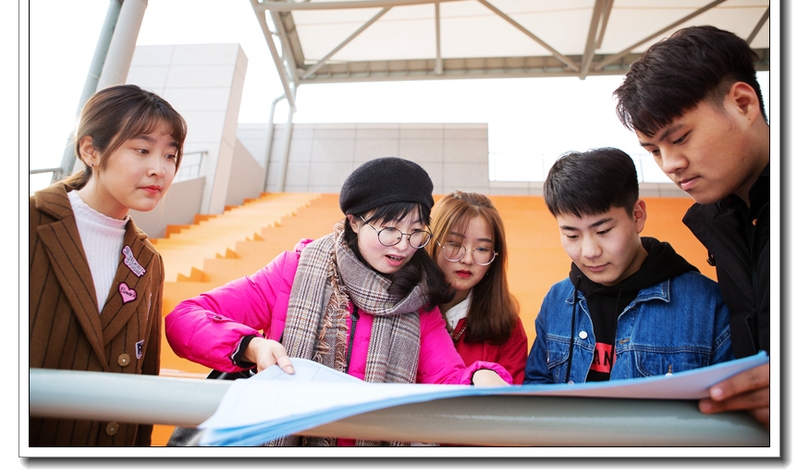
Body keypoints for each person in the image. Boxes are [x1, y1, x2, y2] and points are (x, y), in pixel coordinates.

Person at [165, 157, 512, 446]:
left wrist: (480, 376)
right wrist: (249, 346)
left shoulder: (418, 301)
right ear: (355, 221)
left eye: (416, 231)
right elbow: (184, 318)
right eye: (390, 229)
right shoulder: (294, 270)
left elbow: (446, 377)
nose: (404, 245)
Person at [614, 25, 770, 429]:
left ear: (743, 103)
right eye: (653, 150)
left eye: (680, 138)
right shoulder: (724, 220)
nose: (670, 164)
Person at [30, 84, 188, 446]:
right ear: (90, 150)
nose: (159, 169)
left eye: (169, 155)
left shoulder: (148, 260)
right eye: (142, 150)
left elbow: (144, 376)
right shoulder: (29, 222)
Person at [524, 147, 733, 385]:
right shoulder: (556, 301)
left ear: (637, 215)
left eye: (603, 231)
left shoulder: (706, 304)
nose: (590, 252)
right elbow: (537, 385)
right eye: (572, 236)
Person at [427, 191, 528, 384]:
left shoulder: (507, 327)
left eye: (482, 249)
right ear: (432, 242)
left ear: (494, 257)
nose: (467, 259)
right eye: (455, 243)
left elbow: (510, 398)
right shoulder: (406, 310)